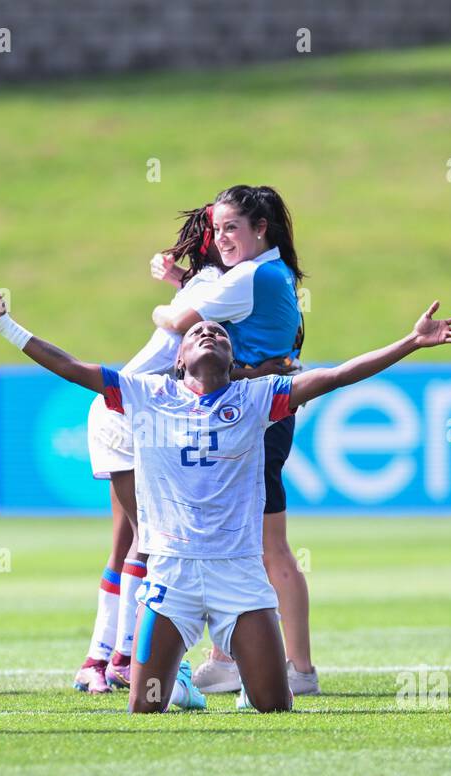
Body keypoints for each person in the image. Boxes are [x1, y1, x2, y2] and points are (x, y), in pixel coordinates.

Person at [0, 278, 451, 712]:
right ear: (177, 359)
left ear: (231, 358)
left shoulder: (257, 396)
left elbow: (335, 376)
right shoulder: (145, 393)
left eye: (220, 333)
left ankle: (242, 675)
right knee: (144, 707)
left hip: (238, 574)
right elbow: (68, 365)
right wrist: (2, 324)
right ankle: (176, 670)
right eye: (199, 329)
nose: (208, 331)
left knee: (273, 706)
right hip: (171, 574)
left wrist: (410, 342)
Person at [148, 185, 318, 698]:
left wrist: (170, 302)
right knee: (242, 542)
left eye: (231, 228)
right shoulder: (268, 273)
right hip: (252, 414)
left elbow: (179, 321)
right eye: (216, 229)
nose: (220, 238)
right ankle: (226, 659)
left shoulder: (252, 275)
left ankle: (299, 670)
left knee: (268, 548)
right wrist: (186, 280)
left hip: (254, 419)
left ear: (259, 229)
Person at [75, 203, 224, 694]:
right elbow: (188, 326)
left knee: (128, 541)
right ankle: (119, 656)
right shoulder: (218, 289)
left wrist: (178, 278)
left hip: (122, 408)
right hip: (132, 413)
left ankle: (100, 660)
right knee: (150, 540)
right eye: (222, 232)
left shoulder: (203, 286)